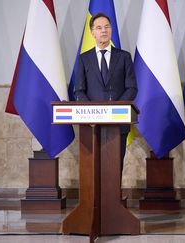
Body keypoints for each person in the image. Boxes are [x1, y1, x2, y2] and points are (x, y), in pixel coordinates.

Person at [74, 12, 137, 171]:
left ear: (111, 30)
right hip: (92, 125)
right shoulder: (84, 59)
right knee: (93, 166)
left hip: (118, 123)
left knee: (115, 166)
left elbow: (132, 88)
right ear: (92, 32)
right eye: (99, 27)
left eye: (107, 27)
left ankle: (114, 196)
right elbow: (79, 91)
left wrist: (114, 110)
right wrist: (92, 113)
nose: (104, 30)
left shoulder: (124, 57)